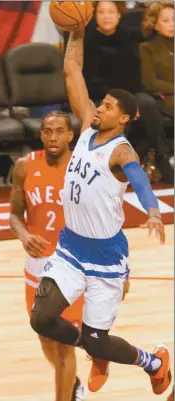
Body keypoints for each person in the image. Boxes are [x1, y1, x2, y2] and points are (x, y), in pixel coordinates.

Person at [29, 25, 171, 396]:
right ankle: (93, 347)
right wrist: (75, 32)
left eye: (108, 106)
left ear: (123, 118)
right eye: (101, 102)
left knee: (99, 341)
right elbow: (72, 72)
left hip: (106, 256)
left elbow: (139, 180)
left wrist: (153, 211)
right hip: (71, 246)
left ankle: (154, 362)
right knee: (41, 319)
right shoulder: (89, 128)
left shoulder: (122, 152)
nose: (100, 107)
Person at [9, 111, 87, 401]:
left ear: (70, 135)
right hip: (37, 263)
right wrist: (25, 235)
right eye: (47, 131)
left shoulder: (83, 170)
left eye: (59, 131)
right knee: (44, 336)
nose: (53, 137)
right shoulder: (24, 167)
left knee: (64, 343)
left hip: (70, 264)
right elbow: (14, 215)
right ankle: (73, 384)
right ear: (41, 134)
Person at [83, 1, 173, 183]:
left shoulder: (129, 38)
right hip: (102, 96)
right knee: (117, 109)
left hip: (129, 93)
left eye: (111, 12)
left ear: (119, 15)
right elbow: (91, 81)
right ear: (95, 16)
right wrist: (125, 103)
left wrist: (131, 102)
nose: (107, 16)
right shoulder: (88, 41)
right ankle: (118, 164)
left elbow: (135, 77)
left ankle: (162, 158)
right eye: (102, 12)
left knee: (147, 103)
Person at [140, 2, 174, 118]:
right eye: (166, 21)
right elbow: (149, 82)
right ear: (155, 24)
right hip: (165, 99)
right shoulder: (146, 48)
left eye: (174, 19)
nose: (172, 24)